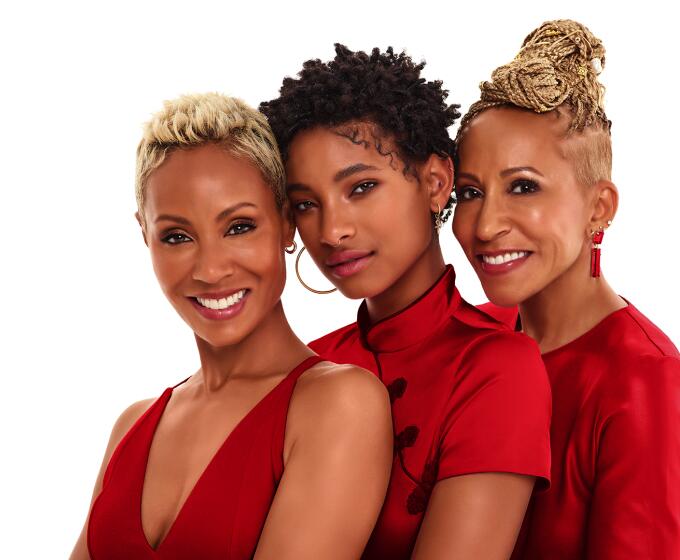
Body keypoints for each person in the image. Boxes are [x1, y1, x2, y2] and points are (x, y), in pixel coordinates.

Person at [69, 93, 393, 560]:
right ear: (145, 234)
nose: (211, 269)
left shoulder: (338, 404)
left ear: (286, 223)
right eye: (177, 237)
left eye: (239, 226)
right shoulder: (132, 427)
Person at [260, 44, 551, 559]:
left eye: (362, 187)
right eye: (307, 204)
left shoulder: (499, 367)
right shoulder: (307, 367)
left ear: (436, 182)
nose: (332, 230)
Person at [451, 19, 680, 559]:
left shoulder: (647, 385)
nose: (485, 226)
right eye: (470, 192)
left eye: (523, 187)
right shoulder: (472, 337)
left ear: (598, 208)